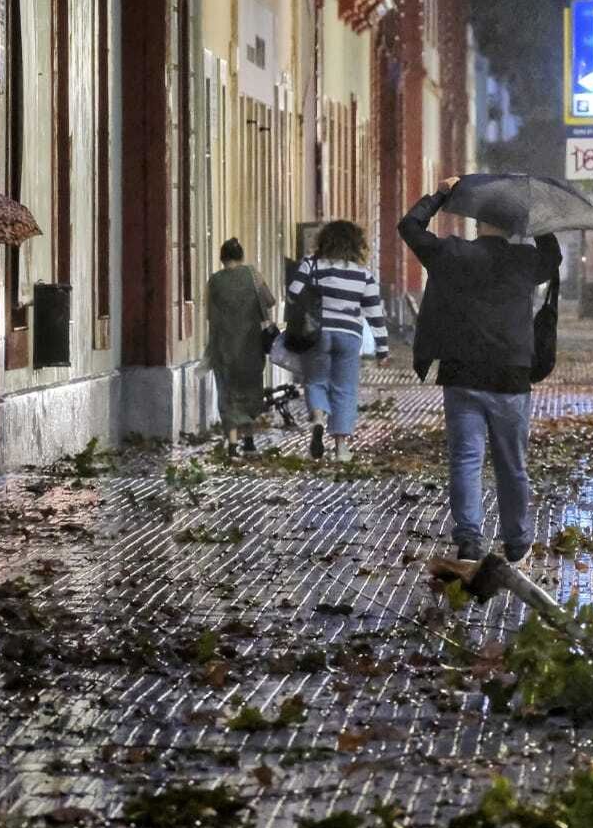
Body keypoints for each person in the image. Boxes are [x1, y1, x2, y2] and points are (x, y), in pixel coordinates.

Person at [398, 177, 562, 566]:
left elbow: (409, 227)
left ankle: (469, 540)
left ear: (477, 223)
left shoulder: (453, 254)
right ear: (512, 227)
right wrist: (538, 217)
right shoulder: (525, 262)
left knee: (466, 461)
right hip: (511, 375)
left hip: (462, 374)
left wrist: (440, 194)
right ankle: (517, 542)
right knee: (512, 464)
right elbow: (552, 258)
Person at [286, 221, 389, 463]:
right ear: (357, 245)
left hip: (318, 332)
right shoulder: (364, 275)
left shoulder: (312, 265)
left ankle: (319, 419)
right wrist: (382, 349)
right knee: (345, 389)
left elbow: (293, 292)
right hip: (349, 335)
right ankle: (341, 448)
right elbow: (375, 314)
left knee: (316, 381)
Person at [206, 238, 276, 456]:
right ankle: (249, 441)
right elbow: (269, 300)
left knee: (228, 394)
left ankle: (233, 444)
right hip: (250, 346)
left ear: (222, 257)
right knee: (250, 392)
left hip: (223, 347)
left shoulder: (214, 281)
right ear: (241, 256)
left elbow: (210, 314)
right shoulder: (253, 275)